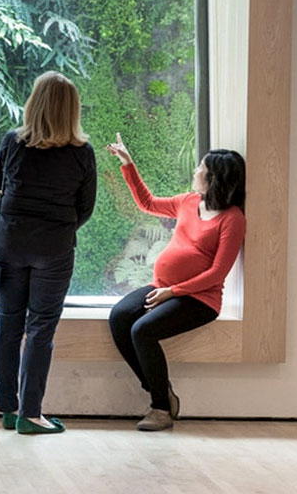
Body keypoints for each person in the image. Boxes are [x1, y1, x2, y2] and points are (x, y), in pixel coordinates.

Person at [104, 137, 246, 432]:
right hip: (163, 287)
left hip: (199, 299)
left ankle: (160, 410)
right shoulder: (188, 201)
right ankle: (160, 390)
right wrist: (128, 164)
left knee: (142, 330)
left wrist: (173, 292)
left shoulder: (233, 219)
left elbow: (218, 273)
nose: (195, 171)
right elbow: (147, 203)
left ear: (213, 178)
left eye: (200, 168)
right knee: (119, 317)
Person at [0, 71, 97, 435]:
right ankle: (30, 414)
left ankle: (7, 409)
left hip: (11, 245)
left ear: (33, 104)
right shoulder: (82, 153)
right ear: (72, 110)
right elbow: (85, 209)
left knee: (8, 325)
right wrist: (58, 229)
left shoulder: (12, 143)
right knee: (40, 330)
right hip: (54, 249)